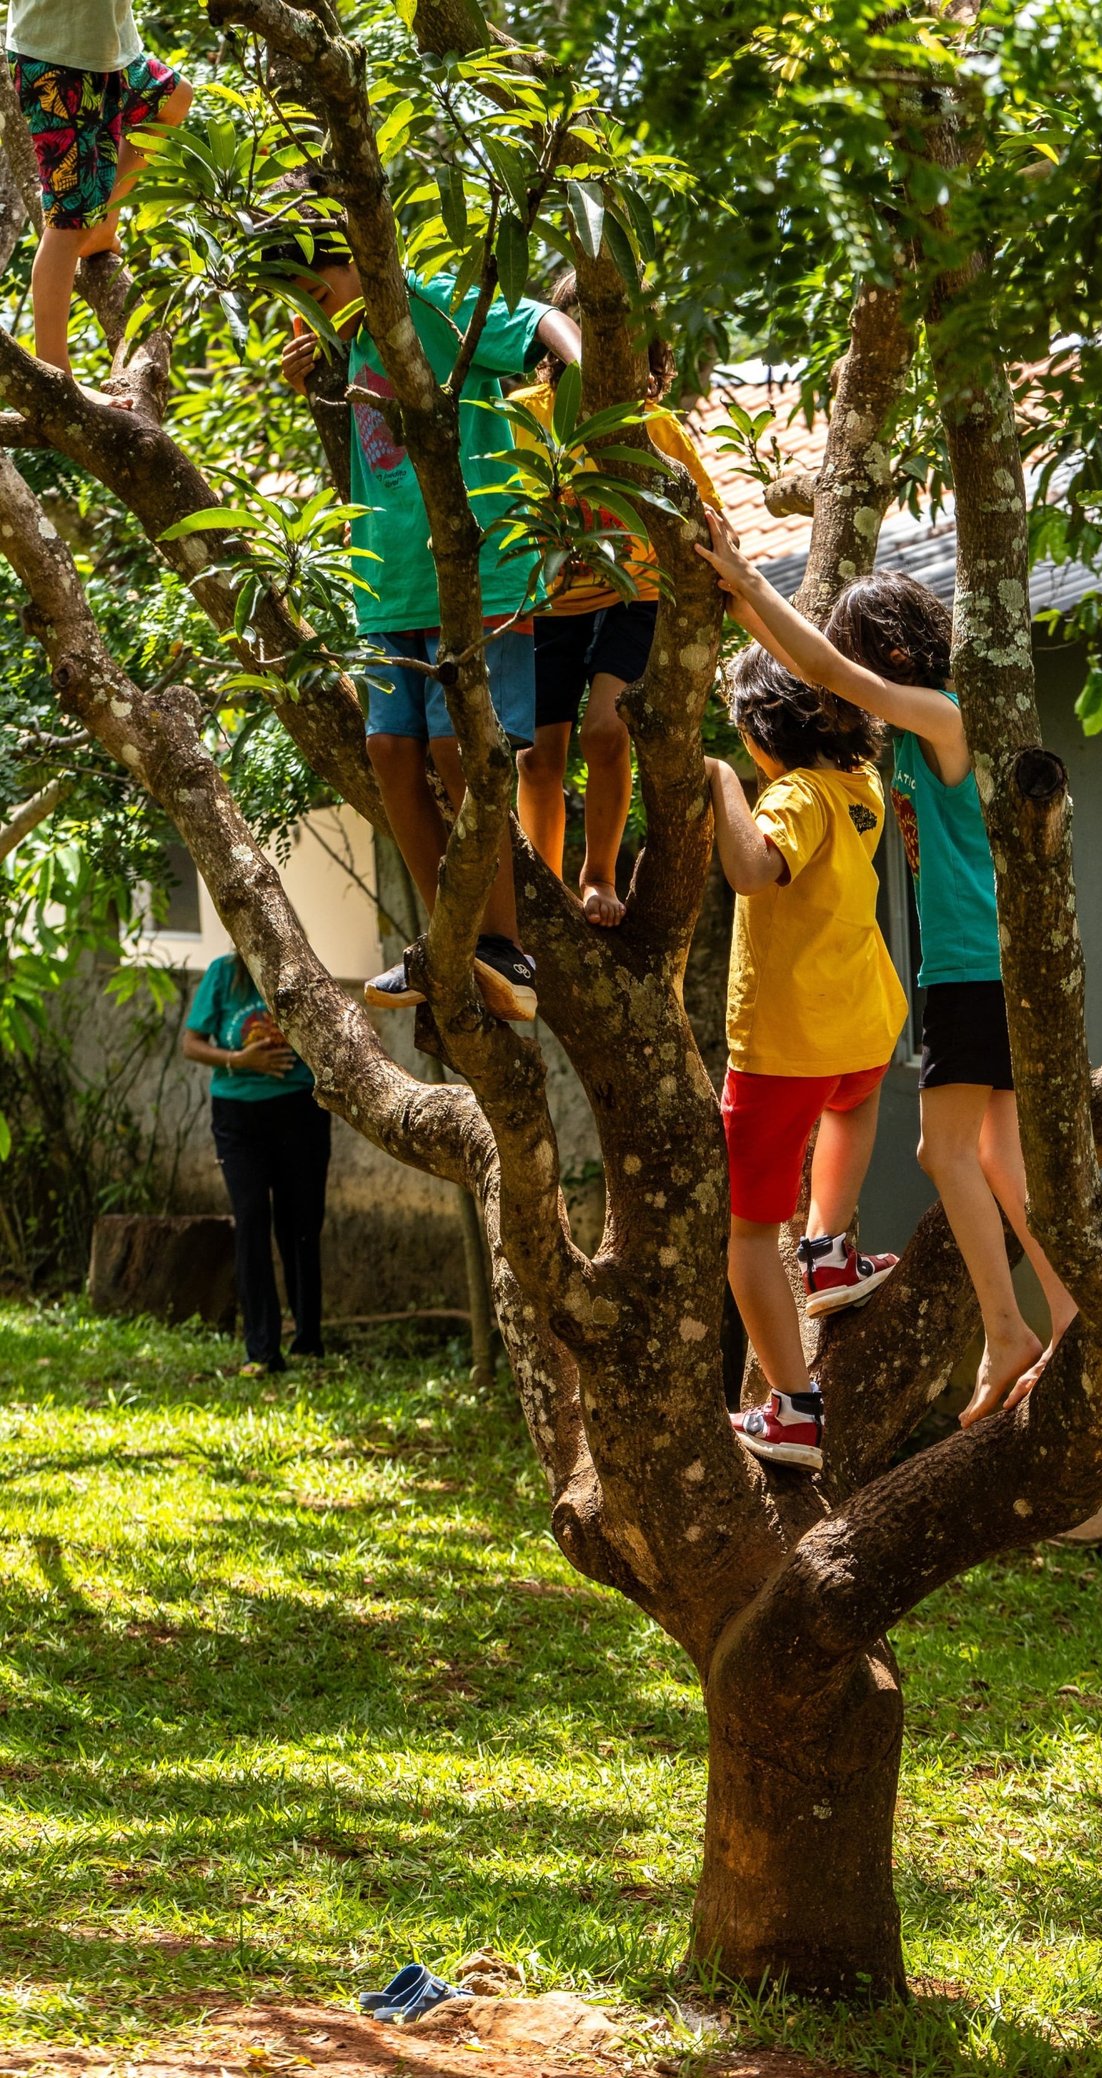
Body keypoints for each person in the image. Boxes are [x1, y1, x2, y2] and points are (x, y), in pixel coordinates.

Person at [696, 518, 1078, 1426]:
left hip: (969, 968)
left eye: (863, 657)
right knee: (993, 1151)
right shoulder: (893, 750)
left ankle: (1007, 1331)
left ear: (898, 655)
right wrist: (739, 611)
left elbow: (826, 673)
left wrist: (749, 582)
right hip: (989, 966)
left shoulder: (946, 717)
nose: (846, 687)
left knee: (942, 1149)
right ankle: (1060, 1314)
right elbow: (823, 682)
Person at [279, 223, 581, 1020]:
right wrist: (310, 373)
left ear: (358, 262)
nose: (317, 314)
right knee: (388, 750)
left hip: (474, 574)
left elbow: (533, 321)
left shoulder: (428, 302)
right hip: (387, 585)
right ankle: (442, 939)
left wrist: (592, 376)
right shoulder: (346, 345)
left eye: (319, 292)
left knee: (461, 750)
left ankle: (503, 945)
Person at [706, 644, 907, 1472]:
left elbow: (753, 874)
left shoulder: (791, 796)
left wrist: (721, 782)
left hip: (784, 1041)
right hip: (862, 1021)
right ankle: (827, 1251)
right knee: (852, 1107)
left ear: (762, 734)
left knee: (749, 1231)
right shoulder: (860, 788)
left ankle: (791, 1410)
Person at [509, 272, 725, 925]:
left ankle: (597, 876)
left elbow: (709, 514)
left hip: (634, 594)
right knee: (536, 756)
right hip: (546, 602)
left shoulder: (653, 425)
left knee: (606, 730)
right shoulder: (522, 412)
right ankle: (543, 889)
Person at [7, 0, 192, 399]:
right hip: (57, 59)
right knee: (67, 225)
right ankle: (55, 380)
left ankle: (103, 222)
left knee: (174, 99)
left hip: (111, 52)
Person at [182, 952, 331, 1378]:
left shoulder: (301, 971)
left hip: (299, 1113)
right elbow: (191, 1043)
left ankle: (307, 1340)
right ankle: (262, 1350)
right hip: (238, 1117)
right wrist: (240, 1060)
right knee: (250, 1219)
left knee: (300, 1224)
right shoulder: (223, 974)